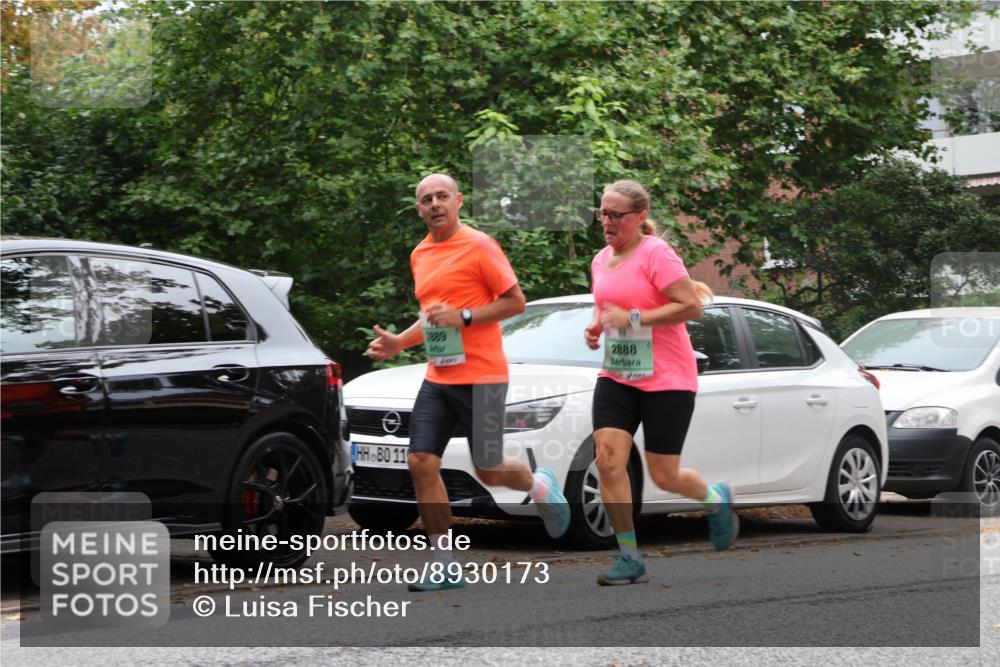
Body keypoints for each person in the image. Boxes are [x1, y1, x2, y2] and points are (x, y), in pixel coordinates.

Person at [367, 173, 570, 591]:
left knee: (489, 469)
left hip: (483, 375)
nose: (436, 203)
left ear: (458, 201)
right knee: (421, 462)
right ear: (419, 209)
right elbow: (432, 317)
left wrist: (464, 316)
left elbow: (516, 302)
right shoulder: (420, 254)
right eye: (427, 199)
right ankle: (445, 562)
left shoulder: (479, 245)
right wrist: (398, 343)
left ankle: (539, 484)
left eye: (443, 196)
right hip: (439, 375)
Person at [584, 179, 738, 586]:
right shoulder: (601, 261)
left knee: (664, 474)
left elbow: (690, 308)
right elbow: (606, 309)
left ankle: (714, 498)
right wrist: (597, 327)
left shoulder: (656, 253)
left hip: (667, 377)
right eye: (603, 213)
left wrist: (633, 318)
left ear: (638, 218)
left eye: (616, 215)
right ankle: (629, 556)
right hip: (618, 374)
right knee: (608, 458)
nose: (607, 221)